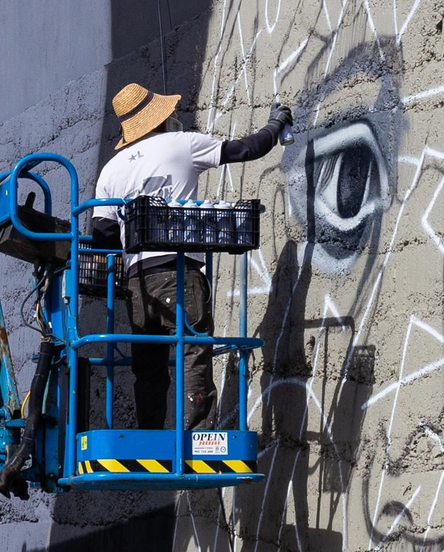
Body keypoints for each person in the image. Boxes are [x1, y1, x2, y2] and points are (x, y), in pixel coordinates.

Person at [90, 83, 292, 431]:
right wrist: (276, 124)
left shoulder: (111, 170)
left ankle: (149, 435)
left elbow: (103, 235)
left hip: (137, 281)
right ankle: (197, 432)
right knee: (193, 347)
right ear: (160, 117)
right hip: (179, 269)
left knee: (148, 365)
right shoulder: (182, 145)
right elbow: (245, 149)